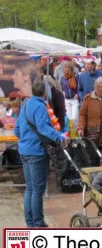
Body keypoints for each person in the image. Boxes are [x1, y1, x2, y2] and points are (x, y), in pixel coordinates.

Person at [14, 81, 68, 227]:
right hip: (37, 152)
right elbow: (43, 128)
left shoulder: (26, 104)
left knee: (30, 188)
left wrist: (25, 140)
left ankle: (30, 222)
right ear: (45, 92)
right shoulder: (40, 106)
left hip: (25, 150)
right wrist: (59, 136)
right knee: (37, 189)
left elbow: (17, 129)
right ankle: (37, 223)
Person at [77, 77, 102, 154]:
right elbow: (82, 115)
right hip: (91, 133)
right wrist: (80, 128)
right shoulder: (88, 98)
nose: (99, 89)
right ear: (94, 87)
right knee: (93, 157)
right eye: (97, 86)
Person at [60, 61, 80, 127]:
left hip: (75, 100)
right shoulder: (62, 78)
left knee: (74, 118)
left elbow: (80, 88)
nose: (65, 69)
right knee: (69, 119)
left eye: (66, 67)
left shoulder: (76, 77)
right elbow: (62, 89)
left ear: (70, 68)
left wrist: (78, 94)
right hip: (67, 100)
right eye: (64, 68)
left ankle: (76, 131)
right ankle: (72, 132)